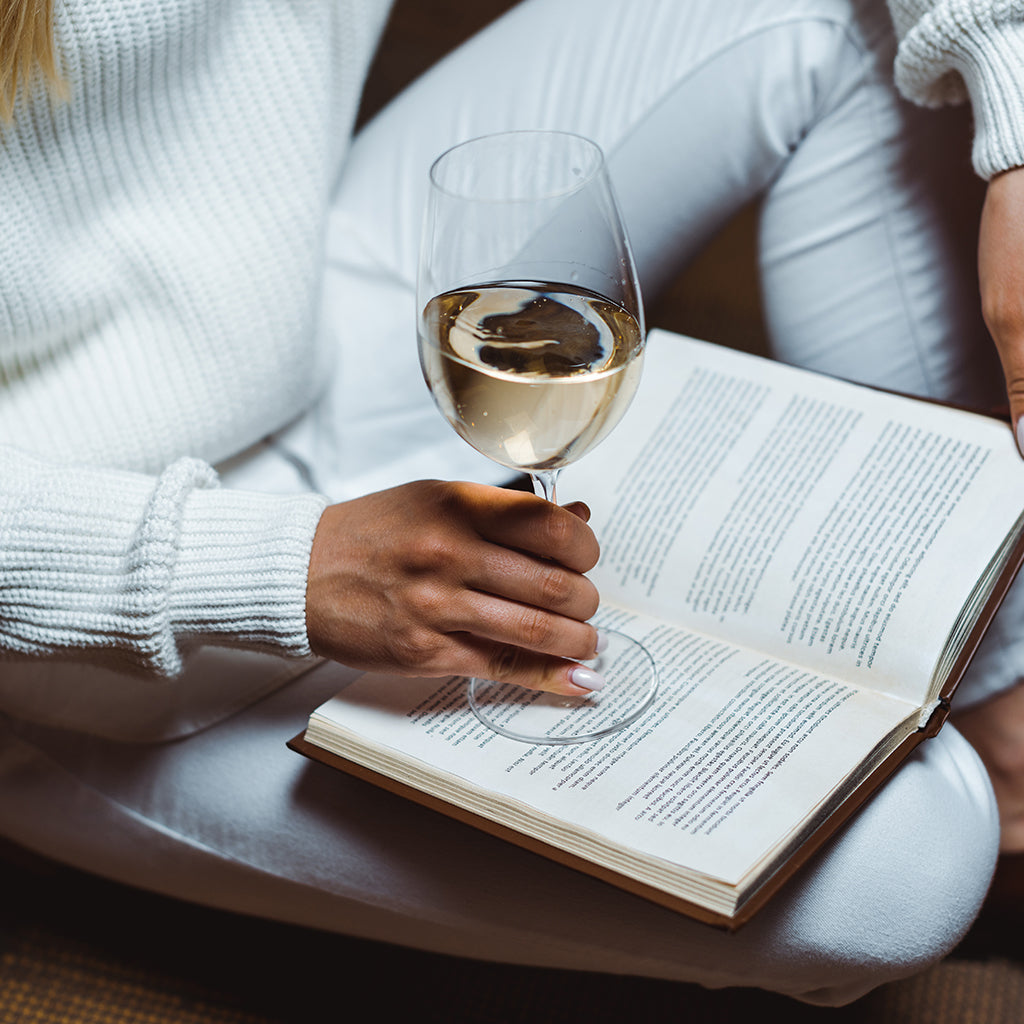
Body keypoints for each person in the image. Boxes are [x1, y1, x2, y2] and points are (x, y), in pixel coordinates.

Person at [0, 0, 1022, 1006]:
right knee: (908, 871)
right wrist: (268, 564)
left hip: (305, 305)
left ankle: (993, 696)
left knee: (855, 20)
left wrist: (1012, 115)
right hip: (92, 627)